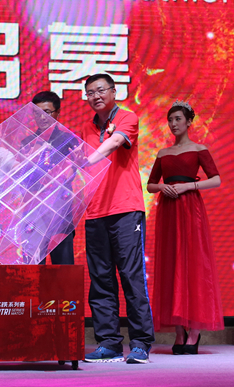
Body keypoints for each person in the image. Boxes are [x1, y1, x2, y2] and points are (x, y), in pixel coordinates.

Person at [80, 74, 155, 364]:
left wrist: (84, 161)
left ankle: (140, 344)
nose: (96, 96)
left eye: (100, 90)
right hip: (95, 211)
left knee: (131, 276)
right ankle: (109, 343)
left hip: (125, 210)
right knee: (100, 280)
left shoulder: (127, 117)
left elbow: (114, 143)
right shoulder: (86, 127)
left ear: (113, 91)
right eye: (90, 92)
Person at [146, 100, 222, 355]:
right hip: (169, 209)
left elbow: (216, 179)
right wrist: (163, 187)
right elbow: (150, 185)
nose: (173, 124)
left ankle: (195, 332)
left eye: (178, 119)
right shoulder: (163, 153)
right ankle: (179, 331)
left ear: (189, 122)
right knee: (172, 265)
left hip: (191, 209)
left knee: (193, 264)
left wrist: (189, 186)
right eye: (170, 120)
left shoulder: (199, 149)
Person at [29, 91, 77, 265]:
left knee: (63, 270)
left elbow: (75, 172)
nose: (42, 117)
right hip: (33, 215)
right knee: (33, 270)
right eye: (37, 113)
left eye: (47, 112)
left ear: (58, 113)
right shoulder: (27, 142)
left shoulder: (69, 140)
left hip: (60, 213)